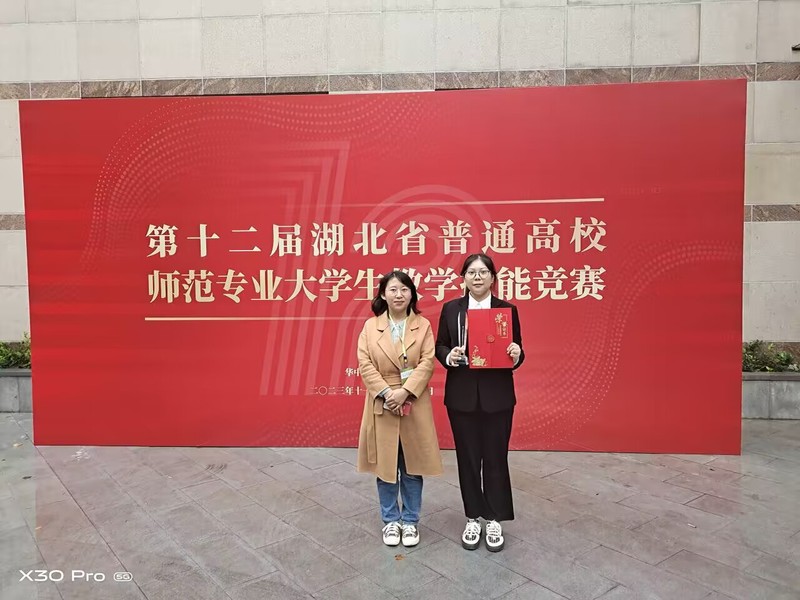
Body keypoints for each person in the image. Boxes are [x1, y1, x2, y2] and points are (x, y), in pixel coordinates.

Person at [435, 253, 524, 552]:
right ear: (463, 278)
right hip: (462, 396)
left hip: (497, 397)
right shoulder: (452, 309)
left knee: (496, 458)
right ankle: (473, 517)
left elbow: (518, 350)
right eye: (471, 272)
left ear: (492, 278)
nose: (477, 277)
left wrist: (516, 354)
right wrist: (449, 355)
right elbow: (440, 345)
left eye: (483, 272)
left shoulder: (506, 311)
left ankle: (495, 518)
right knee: (468, 459)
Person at [356, 271, 443, 547]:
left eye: (404, 289)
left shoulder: (422, 325)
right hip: (382, 403)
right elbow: (365, 364)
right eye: (393, 289)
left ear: (412, 294)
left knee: (412, 466)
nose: (398, 294)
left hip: (413, 401)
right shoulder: (371, 327)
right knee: (385, 466)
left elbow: (427, 362)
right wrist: (387, 393)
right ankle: (391, 520)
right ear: (383, 294)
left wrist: (405, 392)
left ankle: (411, 521)